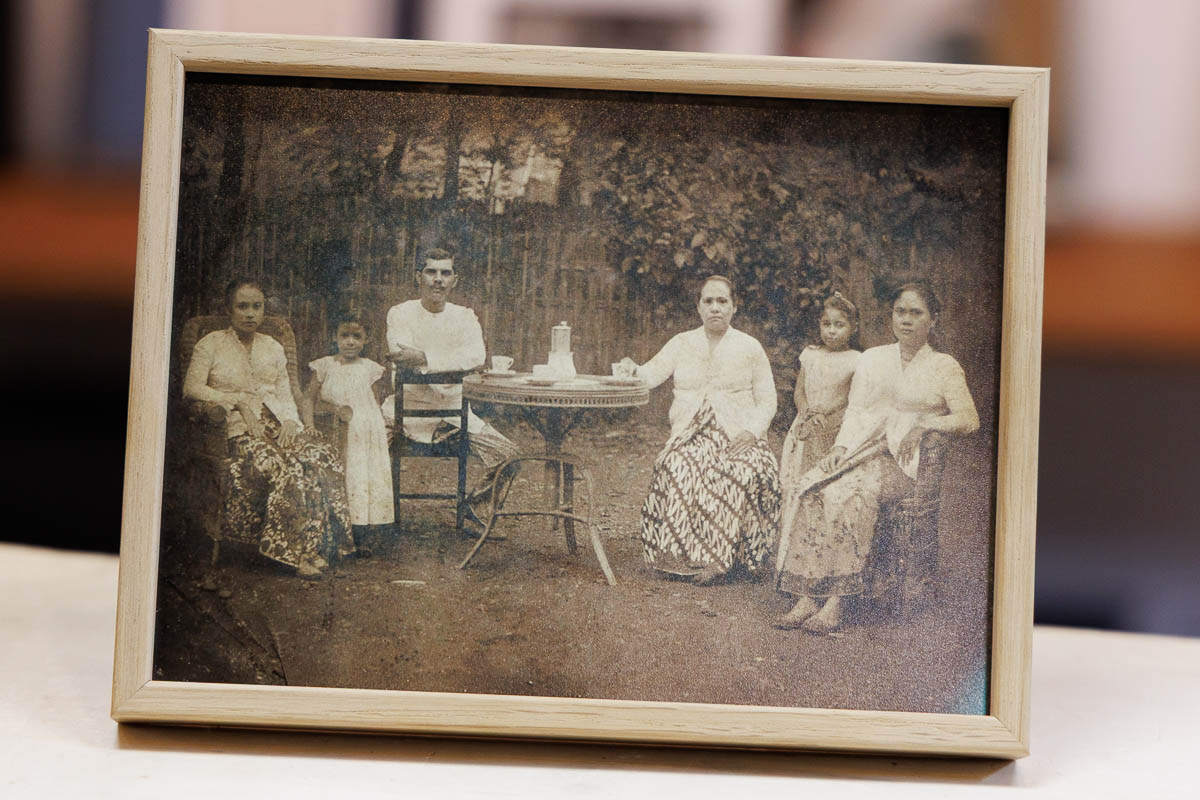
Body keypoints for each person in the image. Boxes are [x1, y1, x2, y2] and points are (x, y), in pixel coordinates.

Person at [774, 282, 979, 633]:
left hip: (906, 462)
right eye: (901, 312)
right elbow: (858, 411)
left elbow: (969, 419)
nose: (907, 320)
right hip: (863, 449)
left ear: (934, 320)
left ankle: (837, 601)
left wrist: (926, 424)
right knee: (814, 488)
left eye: (917, 313)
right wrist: (839, 449)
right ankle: (809, 594)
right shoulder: (874, 358)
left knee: (851, 495)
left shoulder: (944, 366)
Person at [183, 279, 354, 578]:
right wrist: (237, 402)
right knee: (283, 466)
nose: (250, 314)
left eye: (257, 307)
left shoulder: (273, 346)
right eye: (242, 306)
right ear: (229, 309)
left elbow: (286, 393)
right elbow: (191, 388)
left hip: (280, 423)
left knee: (321, 455)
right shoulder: (210, 343)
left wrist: (291, 421)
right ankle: (291, 553)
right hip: (237, 429)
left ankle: (318, 546)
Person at [630, 275, 780, 584]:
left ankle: (720, 559)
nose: (715, 308)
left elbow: (767, 399)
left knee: (737, 472)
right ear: (698, 307)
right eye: (708, 301)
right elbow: (648, 375)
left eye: (722, 301)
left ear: (734, 307)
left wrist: (751, 432)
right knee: (676, 466)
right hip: (690, 434)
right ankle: (681, 556)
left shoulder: (749, 347)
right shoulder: (682, 342)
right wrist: (628, 372)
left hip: (738, 436)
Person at [382, 249, 520, 508]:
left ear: (454, 280)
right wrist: (452, 361)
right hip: (403, 413)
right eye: (431, 272)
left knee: (510, 457)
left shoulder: (464, 316)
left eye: (445, 273)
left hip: (454, 415)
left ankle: (471, 507)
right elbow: (402, 357)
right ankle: (376, 520)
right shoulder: (399, 313)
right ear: (418, 277)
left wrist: (423, 357)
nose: (438, 279)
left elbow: (477, 357)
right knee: (362, 449)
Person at [775, 292, 862, 579]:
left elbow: (852, 399)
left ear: (853, 328)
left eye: (839, 325)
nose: (832, 331)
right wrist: (807, 411)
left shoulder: (856, 360)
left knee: (820, 492)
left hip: (831, 430)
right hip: (805, 428)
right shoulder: (810, 355)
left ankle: (821, 563)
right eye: (827, 324)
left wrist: (827, 413)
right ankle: (793, 564)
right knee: (795, 489)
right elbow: (800, 391)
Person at [302, 314, 394, 553]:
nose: (350, 342)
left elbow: (375, 401)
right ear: (335, 338)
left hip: (367, 431)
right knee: (347, 475)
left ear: (366, 339)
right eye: (345, 336)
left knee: (365, 477)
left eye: (357, 336)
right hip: (334, 428)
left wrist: (380, 427)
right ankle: (338, 529)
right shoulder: (324, 365)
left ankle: (364, 530)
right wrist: (309, 425)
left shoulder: (370, 368)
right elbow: (309, 398)